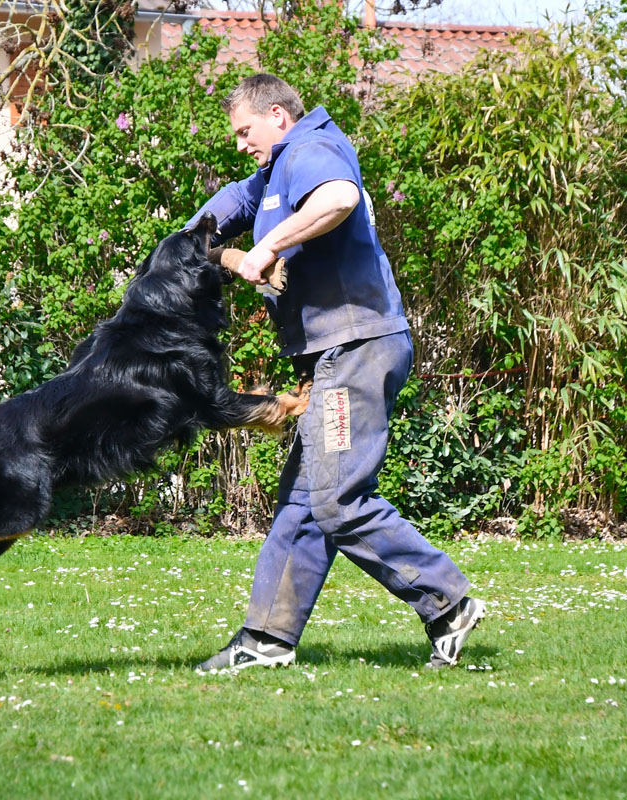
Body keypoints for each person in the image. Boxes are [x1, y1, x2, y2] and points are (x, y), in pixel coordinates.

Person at [188, 74, 484, 672]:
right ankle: (267, 639)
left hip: (355, 350)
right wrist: (193, 241)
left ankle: (447, 602)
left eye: (246, 131)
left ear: (278, 115)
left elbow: (337, 199)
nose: (242, 143)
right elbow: (229, 205)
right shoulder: (274, 170)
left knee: (336, 498)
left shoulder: (311, 148)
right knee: (302, 501)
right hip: (333, 354)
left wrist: (267, 248)